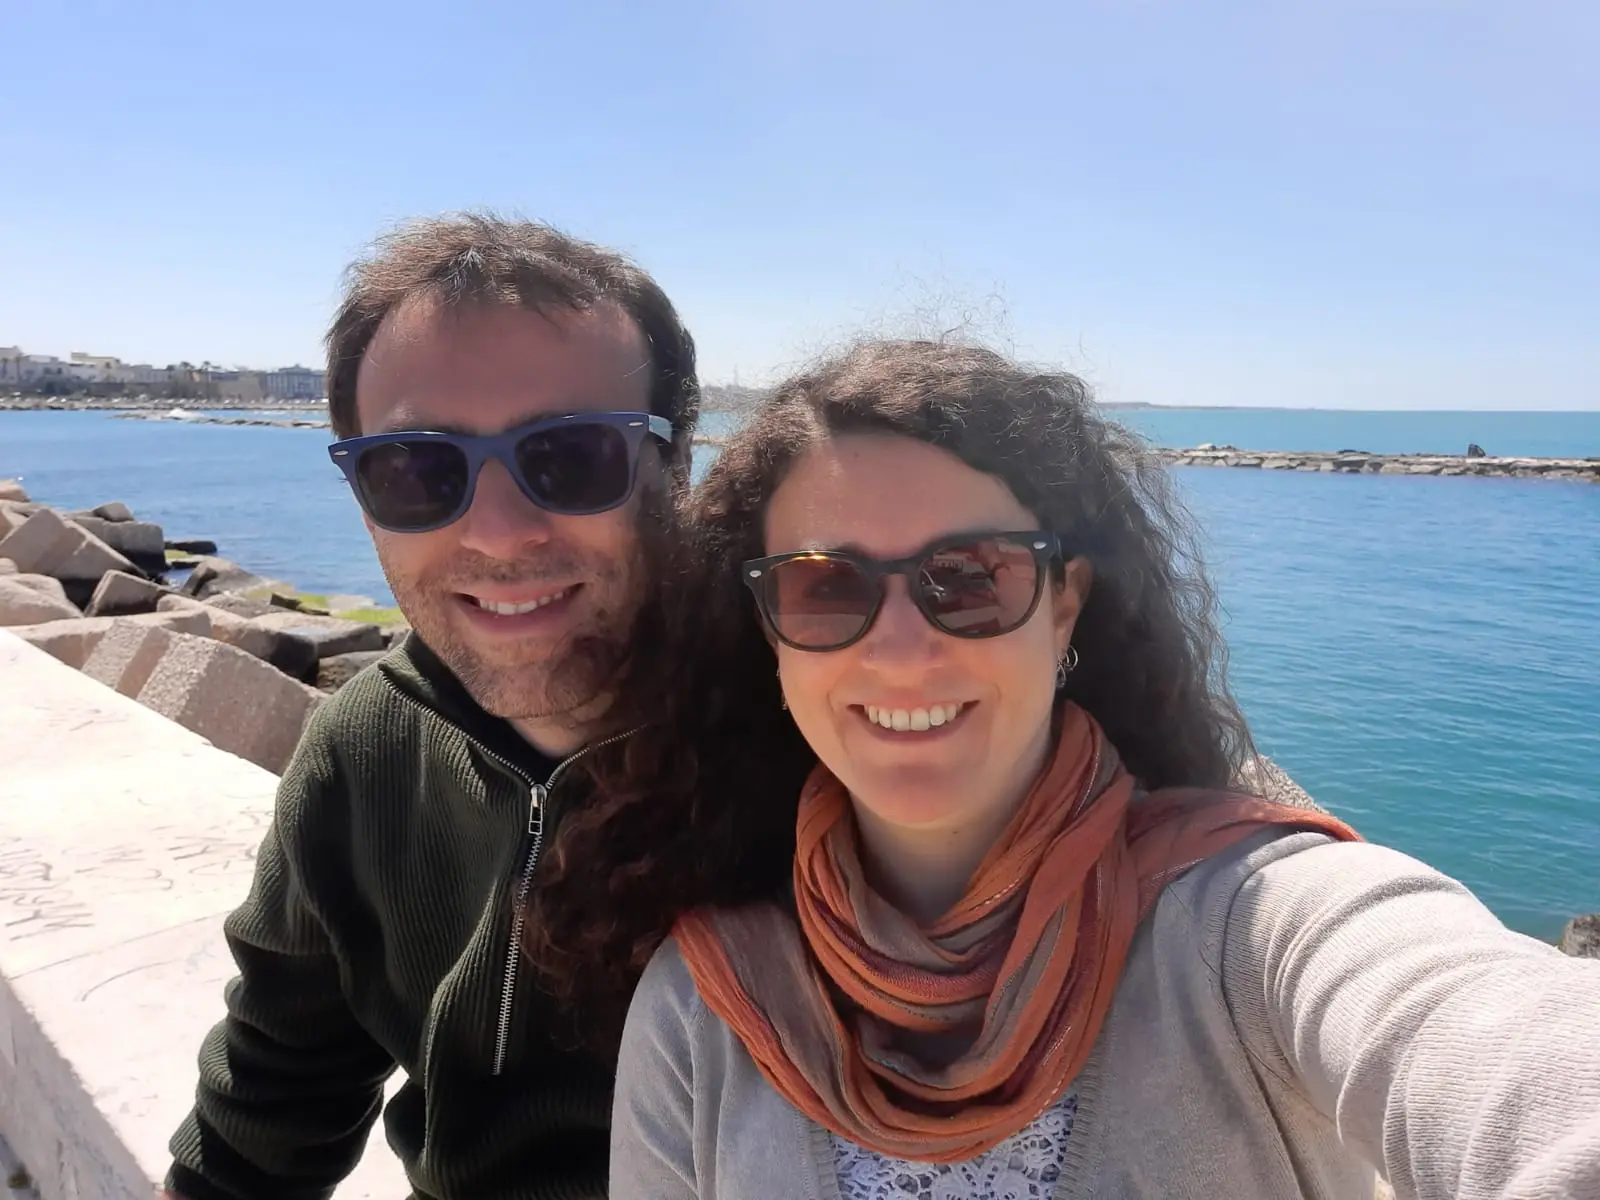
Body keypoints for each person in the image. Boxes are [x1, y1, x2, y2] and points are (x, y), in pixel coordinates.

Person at [604, 340, 1600, 1199]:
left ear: (1063, 605)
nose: (900, 650)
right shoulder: (702, 1012)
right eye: (823, 589)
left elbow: (1508, 1056)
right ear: (769, 634)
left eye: (969, 577)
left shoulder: (1255, 927)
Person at [163, 213, 702, 1200]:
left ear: (677, 466)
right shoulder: (365, 749)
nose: (496, 533)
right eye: (415, 470)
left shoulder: (808, 736)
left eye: (572, 455)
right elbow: (272, 1098)